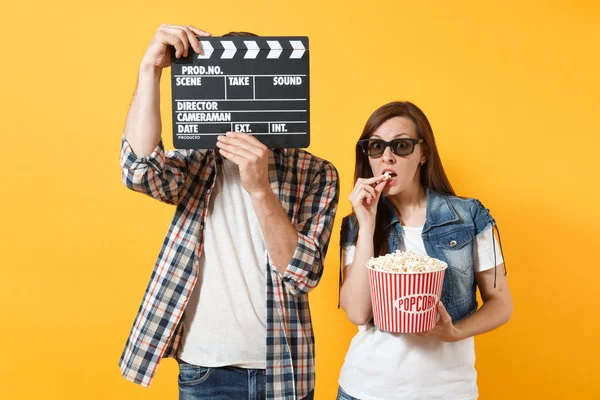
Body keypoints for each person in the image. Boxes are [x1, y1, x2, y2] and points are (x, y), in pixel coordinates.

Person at [118, 23, 339, 400]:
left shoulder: (317, 173)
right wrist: (150, 69)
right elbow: (140, 172)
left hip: (284, 372)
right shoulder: (196, 161)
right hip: (205, 368)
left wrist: (259, 189)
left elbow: (303, 274)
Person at [337, 101, 512, 400]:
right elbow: (356, 312)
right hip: (365, 389)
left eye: (401, 146)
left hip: (448, 391)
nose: (387, 158)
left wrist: (455, 332)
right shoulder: (357, 224)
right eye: (376, 147)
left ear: (423, 154)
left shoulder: (469, 216)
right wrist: (367, 226)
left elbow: (500, 304)